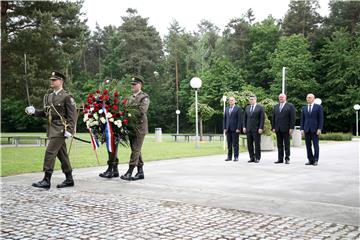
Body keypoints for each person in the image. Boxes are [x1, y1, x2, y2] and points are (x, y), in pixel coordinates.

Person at [25, 71, 77, 189]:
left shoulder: (67, 96)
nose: (51, 82)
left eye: (54, 80)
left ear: (61, 81)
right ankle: (69, 179)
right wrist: (34, 112)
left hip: (60, 129)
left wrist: (70, 129)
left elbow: (72, 115)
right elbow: (45, 113)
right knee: (62, 154)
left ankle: (46, 180)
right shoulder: (49, 96)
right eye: (51, 80)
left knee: (50, 152)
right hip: (51, 129)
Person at [120, 75, 150, 181]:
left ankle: (130, 172)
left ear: (140, 85)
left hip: (139, 128)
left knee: (135, 150)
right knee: (136, 150)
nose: (132, 86)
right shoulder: (130, 97)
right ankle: (140, 172)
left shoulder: (144, 97)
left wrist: (128, 112)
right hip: (131, 127)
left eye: (134, 84)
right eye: (131, 84)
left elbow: (142, 111)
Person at [272, 93, 296, 164]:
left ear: (285, 98)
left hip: (286, 128)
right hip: (277, 128)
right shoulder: (276, 106)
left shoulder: (290, 106)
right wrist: (273, 127)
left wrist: (291, 128)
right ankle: (280, 159)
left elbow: (292, 118)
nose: (281, 98)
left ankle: (287, 158)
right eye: (280, 97)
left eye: (282, 97)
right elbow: (273, 118)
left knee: (286, 144)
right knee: (279, 145)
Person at [300, 93, 324, 166]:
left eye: (309, 97)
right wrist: (302, 129)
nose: (308, 99)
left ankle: (316, 160)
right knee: (308, 146)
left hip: (315, 129)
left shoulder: (318, 107)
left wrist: (319, 128)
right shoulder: (304, 108)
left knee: (315, 145)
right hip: (306, 129)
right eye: (307, 97)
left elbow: (321, 119)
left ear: (313, 98)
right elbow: (302, 119)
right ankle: (310, 160)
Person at [243, 95, 265, 163]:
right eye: (250, 99)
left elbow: (262, 119)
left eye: (252, 99)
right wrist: (244, 127)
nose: (251, 100)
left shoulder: (260, 108)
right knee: (249, 144)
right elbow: (244, 118)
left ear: (255, 100)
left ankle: (257, 157)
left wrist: (261, 127)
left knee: (257, 144)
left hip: (256, 129)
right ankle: (251, 157)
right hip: (248, 129)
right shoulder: (247, 107)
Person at [223, 97, 242, 161]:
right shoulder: (226, 109)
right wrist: (224, 128)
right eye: (230, 100)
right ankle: (229, 157)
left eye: (232, 100)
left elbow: (240, 119)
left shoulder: (238, 108)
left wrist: (238, 128)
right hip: (228, 129)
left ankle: (236, 157)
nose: (231, 101)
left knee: (235, 144)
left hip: (235, 129)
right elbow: (225, 119)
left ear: (234, 101)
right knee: (229, 144)